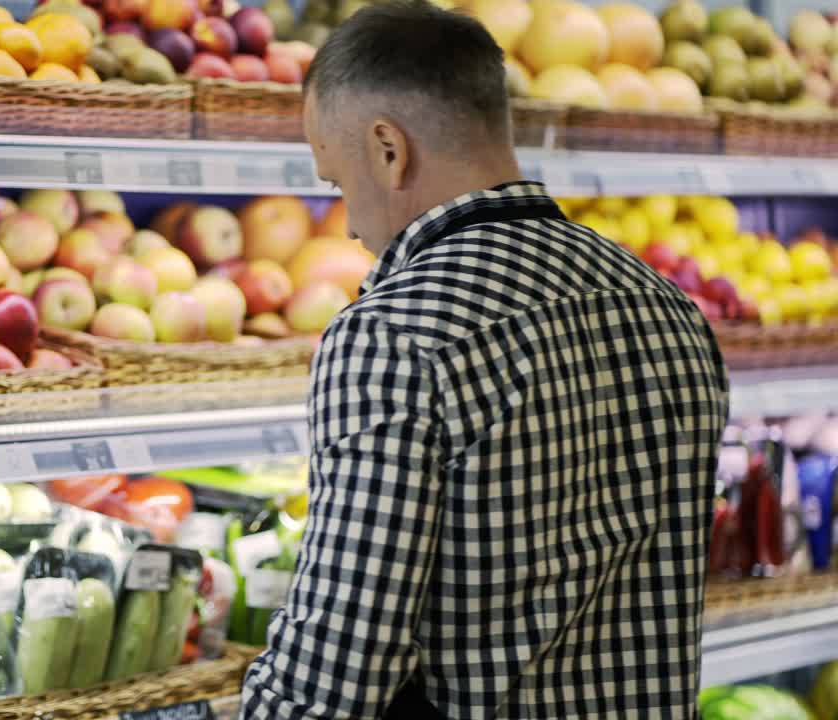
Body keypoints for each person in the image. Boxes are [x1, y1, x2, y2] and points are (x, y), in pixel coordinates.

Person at [239, 2, 730, 718]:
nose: (346, 223)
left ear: (387, 148)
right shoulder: (667, 306)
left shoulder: (393, 335)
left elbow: (340, 668)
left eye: (337, 182)